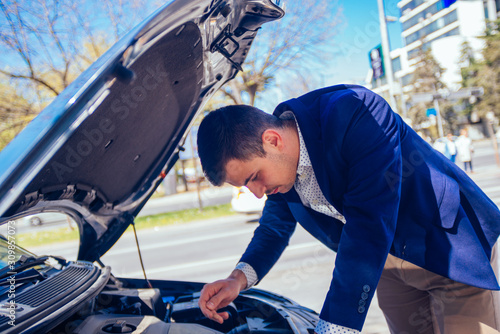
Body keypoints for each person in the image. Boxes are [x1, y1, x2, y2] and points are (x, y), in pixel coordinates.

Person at [196, 85, 500, 334]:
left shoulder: (355, 111)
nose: (258, 192)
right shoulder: (277, 169)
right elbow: (274, 228)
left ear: (273, 140)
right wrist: (237, 279)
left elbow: (368, 224)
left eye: (253, 178)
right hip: (386, 265)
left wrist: (333, 329)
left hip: (444, 243)